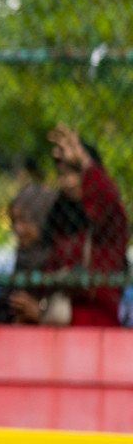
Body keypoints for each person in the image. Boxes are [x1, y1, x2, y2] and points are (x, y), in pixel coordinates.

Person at [38, 125, 129, 327]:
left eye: (75, 172)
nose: (68, 182)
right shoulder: (59, 218)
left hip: (97, 324)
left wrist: (84, 162)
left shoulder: (107, 221)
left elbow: (108, 199)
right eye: (62, 175)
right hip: (60, 324)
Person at [2, 183, 61, 325]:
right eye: (14, 221)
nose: (18, 229)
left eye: (25, 220)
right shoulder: (24, 257)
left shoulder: (59, 256)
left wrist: (39, 313)